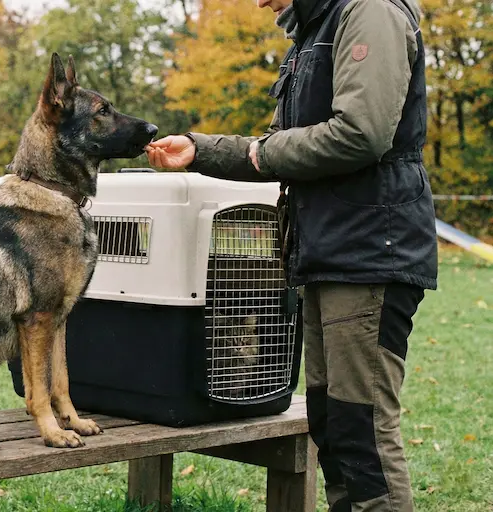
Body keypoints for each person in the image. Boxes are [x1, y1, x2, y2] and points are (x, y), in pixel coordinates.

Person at [145, 0, 437, 511]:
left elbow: (361, 133)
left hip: (369, 252)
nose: (260, 2)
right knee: (332, 423)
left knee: (361, 429)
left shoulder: (369, 11)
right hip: (329, 252)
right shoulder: (315, 29)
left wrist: (261, 152)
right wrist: (201, 149)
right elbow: (284, 147)